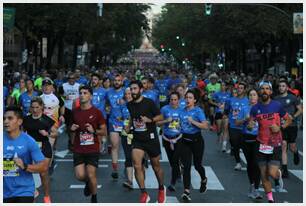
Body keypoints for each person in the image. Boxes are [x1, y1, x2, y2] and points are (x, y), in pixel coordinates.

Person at [248, 81, 292, 203]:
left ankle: (278, 177)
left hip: (275, 143)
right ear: (259, 92)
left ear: (271, 92)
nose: (265, 91)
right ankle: (270, 199)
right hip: (261, 144)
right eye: (262, 89)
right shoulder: (255, 108)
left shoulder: (277, 106)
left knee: (272, 173)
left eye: (267, 89)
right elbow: (251, 124)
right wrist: (250, 126)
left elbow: (289, 119)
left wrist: (280, 128)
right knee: (263, 174)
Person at [125, 80, 166, 203]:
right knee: (137, 165)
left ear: (141, 90)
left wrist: (150, 120)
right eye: (131, 89)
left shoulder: (149, 103)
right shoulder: (130, 104)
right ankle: (143, 193)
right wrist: (128, 126)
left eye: (135, 89)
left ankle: (161, 188)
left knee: (156, 166)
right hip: (137, 138)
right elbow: (132, 117)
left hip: (151, 138)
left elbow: (160, 116)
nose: (132, 91)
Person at [4, 106, 48, 203]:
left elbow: (43, 166)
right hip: (4, 192)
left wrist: (25, 166)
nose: (5, 121)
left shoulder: (29, 141)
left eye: (10, 118)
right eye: (4, 118)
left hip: (24, 191)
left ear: (19, 122)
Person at [70, 85, 107, 203]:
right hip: (78, 148)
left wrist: (94, 131)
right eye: (80, 93)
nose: (82, 95)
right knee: (80, 175)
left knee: (91, 175)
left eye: (85, 93)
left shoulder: (97, 112)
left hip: (92, 148)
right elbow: (69, 128)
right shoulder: (74, 112)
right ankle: (88, 183)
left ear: (90, 96)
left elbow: (104, 131)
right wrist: (72, 128)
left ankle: (94, 197)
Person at [23, 97, 58, 203]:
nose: (34, 110)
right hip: (30, 148)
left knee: (43, 172)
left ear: (42, 107)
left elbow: (55, 133)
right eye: (32, 107)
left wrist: (47, 134)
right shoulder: (26, 119)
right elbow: (21, 133)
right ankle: (33, 190)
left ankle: (47, 197)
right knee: (27, 171)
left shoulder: (46, 119)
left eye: (37, 107)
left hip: (44, 147)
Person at [179, 89, 209, 202]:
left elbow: (205, 126)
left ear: (195, 100)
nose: (187, 99)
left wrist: (193, 122)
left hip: (197, 141)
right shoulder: (182, 111)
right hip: (185, 141)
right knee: (186, 166)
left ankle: (204, 179)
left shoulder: (198, 111)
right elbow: (179, 126)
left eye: (190, 98)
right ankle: (186, 191)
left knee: (197, 165)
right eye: (186, 97)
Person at [236, 89, 262, 199]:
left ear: (257, 97)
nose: (252, 97)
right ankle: (251, 185)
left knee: (257, 164)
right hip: (246, 139)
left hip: (259, 139)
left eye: (254, 95)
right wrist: (244, 119)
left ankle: (256, 189)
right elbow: (237, 122)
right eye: (250, 95)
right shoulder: (244, 108)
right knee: (250, 164)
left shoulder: (262, 108)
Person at [274, 80, 302, 178]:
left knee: (292, 147)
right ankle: (285, 169)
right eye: (280, 86)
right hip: (281, 126)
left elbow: (300, 109)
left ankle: (295, 152)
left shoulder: (293, 98)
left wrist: (293, 117)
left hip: (292, 125)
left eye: (283, 86)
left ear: (287, 88)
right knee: (284, 145)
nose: (281, 87)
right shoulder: (276, 99)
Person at [157, 91, 183, 192]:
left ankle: (172, 183)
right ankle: (178, 172)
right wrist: (166, 121)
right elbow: (158, 124)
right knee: (172, 161)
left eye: (175, 100)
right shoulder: (164, 109)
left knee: (175, 160)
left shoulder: (182, 110)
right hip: (167, 138)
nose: (173, 101)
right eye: (171, 99)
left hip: (179, 138)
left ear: (178, 100)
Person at [224, 82, 249, 170]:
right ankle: (238, 163)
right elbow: (226, 111)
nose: (239, 89)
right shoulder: (230, 100)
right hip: (233, 126)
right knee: (235, 144)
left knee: (244, 145)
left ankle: (249, 162)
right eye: (238, 88)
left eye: (241, 88)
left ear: (245, 90)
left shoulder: (248, 100)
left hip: (244, 127)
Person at [106, 74, 125, 179]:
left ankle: (129, 165)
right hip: (113, 122)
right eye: (115, 80)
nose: (117, 82)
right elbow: (105, 103)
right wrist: (107, 108)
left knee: (128, 147)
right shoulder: (108, 92)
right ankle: (115, 169)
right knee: (114, 145)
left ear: (122, 82)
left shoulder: (127, 92)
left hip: (126, 123)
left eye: (119, 80)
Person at [210, 81, 231, 152]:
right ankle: (219, 134)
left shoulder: (229, 94)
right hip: (218, 112)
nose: (223, 87)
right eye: (221, 85)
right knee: (219, 129)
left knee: (225, 128)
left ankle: (224, 146)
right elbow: (210, 101)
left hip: (226, 113)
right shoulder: (216, 94)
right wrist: (217, 104)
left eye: (224, 85)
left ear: (226, 86)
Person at [120, 87, 134, 189]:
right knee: (128, 157)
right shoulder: (122, 106)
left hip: (138, 134)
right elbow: (118, 117)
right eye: (126, 94)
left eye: (130, 93)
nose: (128, 95)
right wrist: (123, 124)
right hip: (126, 134)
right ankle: (130, 181)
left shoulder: (138, 105)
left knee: (138, 159)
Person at [63, 73, 80, 149]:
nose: (71, 80)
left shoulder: (79, 86)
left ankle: (75, 142)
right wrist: (64, 96)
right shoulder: (63, 86)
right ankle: (71, 141)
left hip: (77, 107)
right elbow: (59, 95)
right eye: (70, 78)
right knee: (68, 126)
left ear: (75, 79)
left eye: (73, 78)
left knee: (76, 125)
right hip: (67, 108)